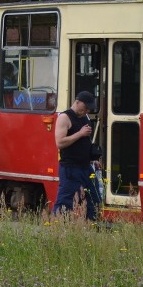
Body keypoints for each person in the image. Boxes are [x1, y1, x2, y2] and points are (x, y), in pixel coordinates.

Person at [53, 91, 101, 220]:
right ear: (77, 102)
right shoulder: (64, 117)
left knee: (94, 198)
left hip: (86, 166)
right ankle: (58, 226)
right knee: (66, 200)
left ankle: (92, 225)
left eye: (88, 109)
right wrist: (80, 133)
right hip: (70, 167)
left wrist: (93, 158)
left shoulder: (84, 117)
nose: (86, 111)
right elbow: (60, 143)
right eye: (85, 107)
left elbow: (85, 142)